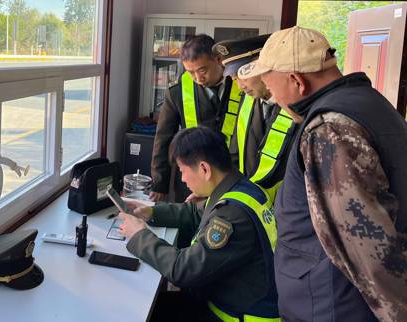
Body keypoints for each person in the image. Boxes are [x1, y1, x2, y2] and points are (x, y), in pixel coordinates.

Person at [239, 26, 407, 321]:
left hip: (331, 306)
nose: (274, 98)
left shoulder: (329, 129)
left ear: (297, 81)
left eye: (271, 87)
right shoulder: (370, 102)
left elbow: (367, 246)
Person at [120, 126, 279, 322]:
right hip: (224, 301)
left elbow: (183, 269)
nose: (182, 179)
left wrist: (139, 235)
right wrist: (151, 212)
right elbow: (196, 212)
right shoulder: (240, 187)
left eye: (182, 171)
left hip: (232, 316)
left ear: (204, 169)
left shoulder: (233, 216)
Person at [150, 34, 242, 203]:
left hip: (231, 177)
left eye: (202, 70)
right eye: (191, 72)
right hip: (191, 180)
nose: (198, 79)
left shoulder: (243, 86)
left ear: (218, 60)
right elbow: (163, 139)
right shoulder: (177, 93)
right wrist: (159, 183)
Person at [214, 35, 296, 200]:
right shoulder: (247, 101)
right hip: (251, 202)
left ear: (263, 65)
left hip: (284, 205)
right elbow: (235, 155)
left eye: (243, 74)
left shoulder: (296, 105)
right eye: (234, 78)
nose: (240, 85)